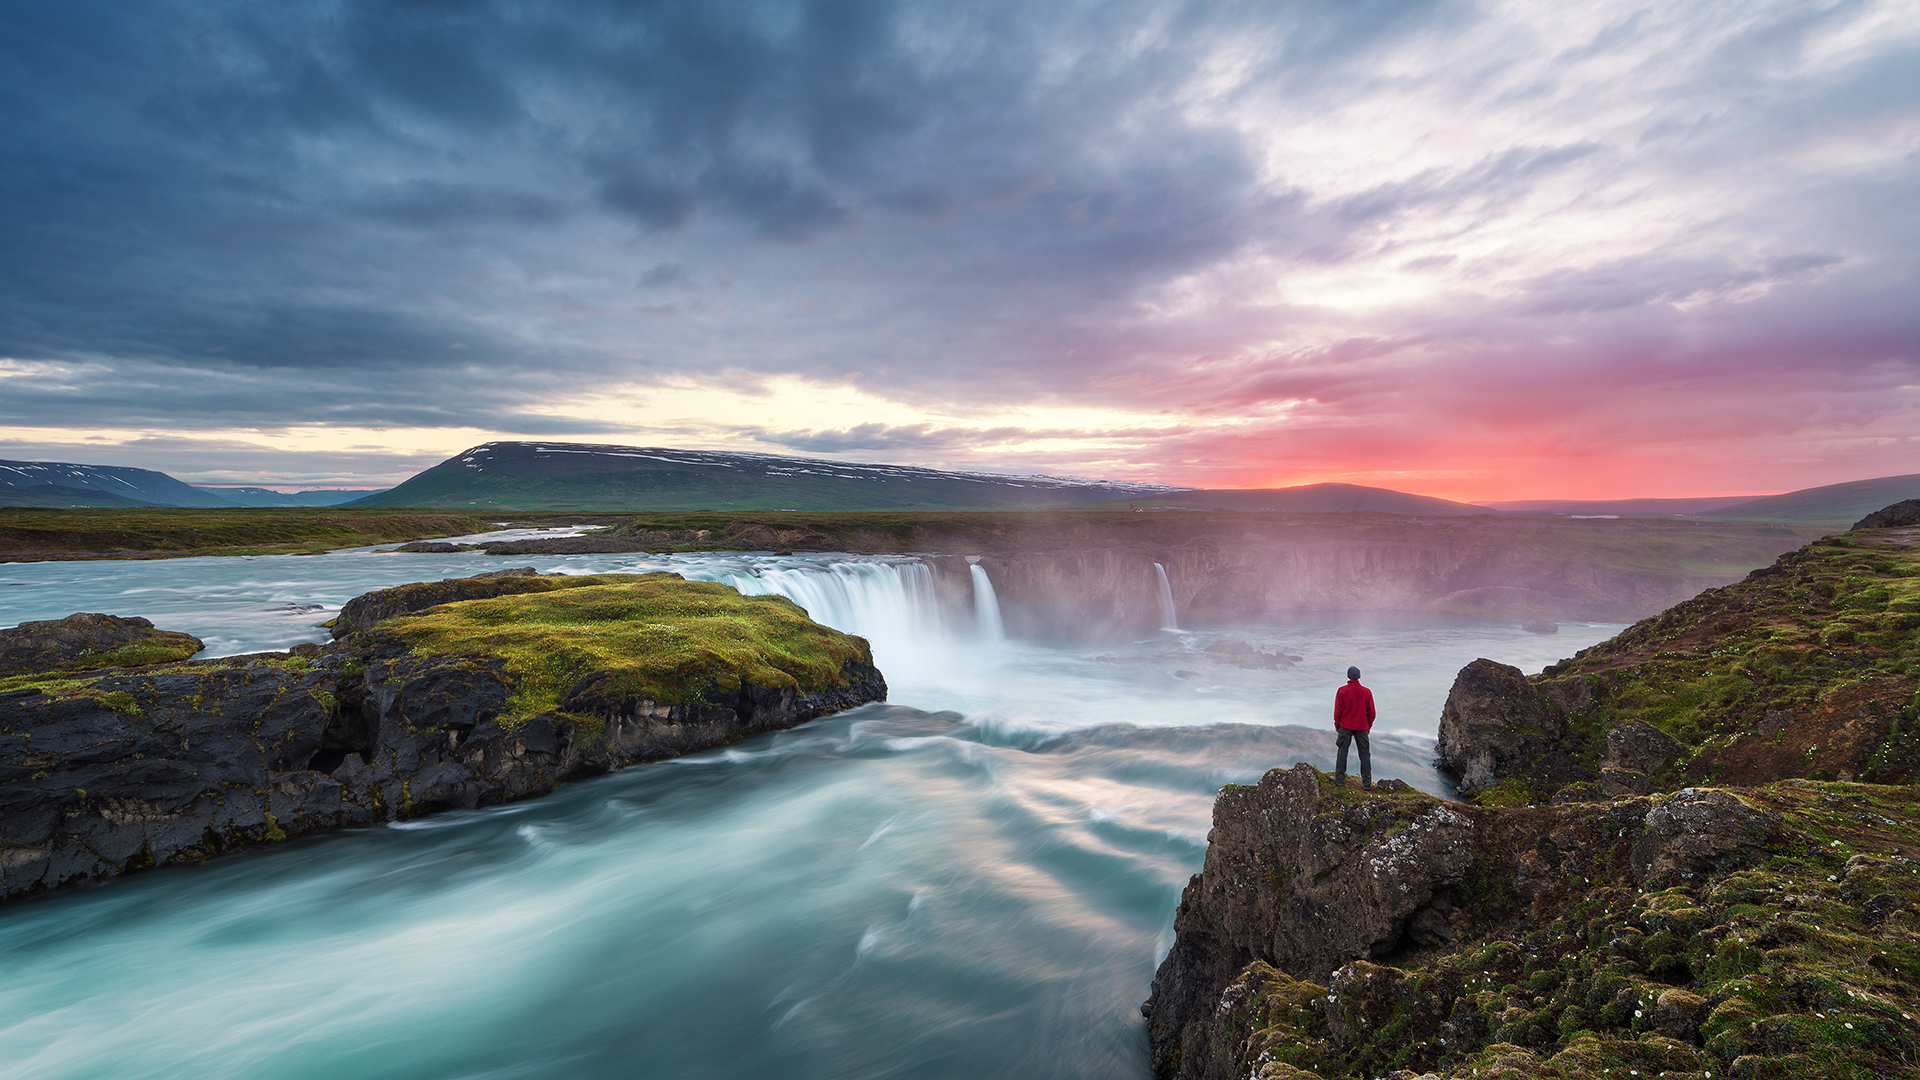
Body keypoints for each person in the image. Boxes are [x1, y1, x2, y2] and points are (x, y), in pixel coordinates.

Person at [1333, 665, 1375, 790]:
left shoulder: (1342, 691)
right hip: (1362, 726)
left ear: (1348, 676)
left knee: (1342, 752)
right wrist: (1368, 726)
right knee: (1365, 755)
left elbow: (1338, 711)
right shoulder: (1367, 692)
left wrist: (1337, 724)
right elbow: (1372, 712)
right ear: (1359, 677)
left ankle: (1340, 780)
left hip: (1345, 725)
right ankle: (1367, 783)